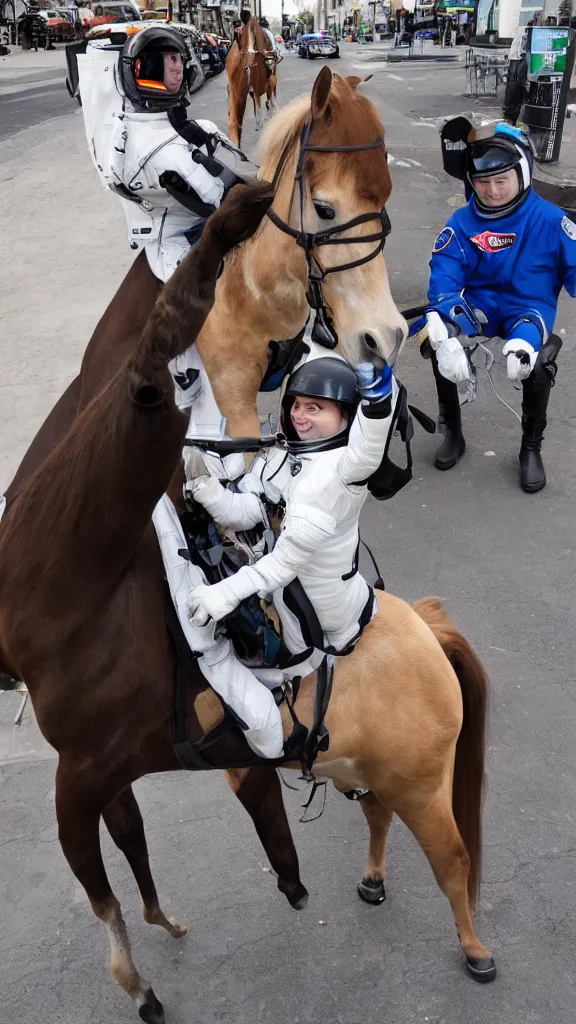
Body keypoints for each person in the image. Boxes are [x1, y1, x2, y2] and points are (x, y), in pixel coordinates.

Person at [187, 345, 401, 661]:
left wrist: (378, 403)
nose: (299, 416)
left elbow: (284, 564)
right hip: (285, 589)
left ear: (346, 415)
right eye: (297, 405)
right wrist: (206, 490)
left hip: (321, 611)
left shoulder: (342, 470)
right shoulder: (292, 457)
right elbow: (250, 511)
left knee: (284, 672)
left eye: (315, 408)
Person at [426, 121, 576, 492]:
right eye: (482, 182)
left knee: (536, 364)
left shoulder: (554, 221)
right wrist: (444, 316)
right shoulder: (462, 222)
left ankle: (530, 448)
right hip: (479, 308)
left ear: (522, 174)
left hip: (530, 309)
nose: (491, 191)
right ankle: (454, 432)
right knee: (441, 340)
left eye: (501, 180)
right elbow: (444, 275)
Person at [77, 26, 255, 285]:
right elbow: (218, 198)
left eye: (178, 58)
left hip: (199, 227)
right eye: (170, 59)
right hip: (175, 246)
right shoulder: (159, 150)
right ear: (145, 68)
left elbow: (240, 167)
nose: (178, 67)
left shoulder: (190, 128)